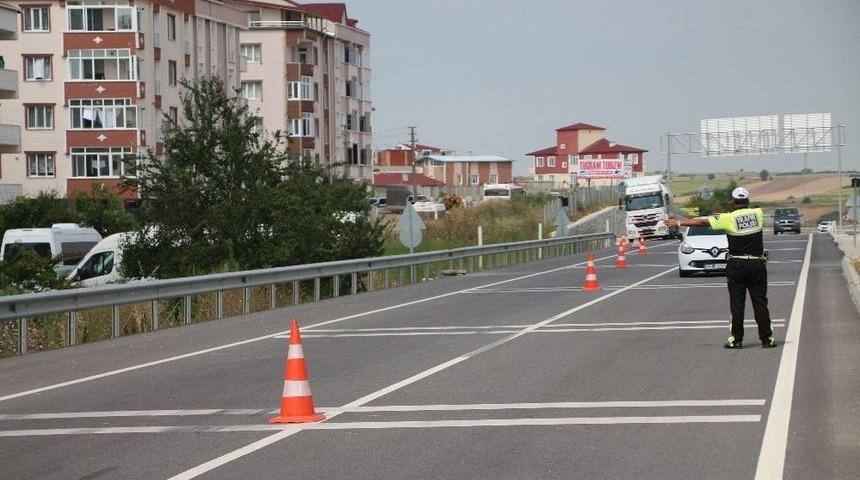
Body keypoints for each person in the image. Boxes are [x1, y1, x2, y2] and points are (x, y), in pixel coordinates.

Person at [666, 187, 776, 349]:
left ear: (733, 201)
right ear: (748, 200)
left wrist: (679, 222)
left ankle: (736, 340)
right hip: (756, 264)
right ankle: (767, 340)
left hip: (736, 265)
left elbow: (703, 222)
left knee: (737, 304)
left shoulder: (727, 218)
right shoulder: (758, 214)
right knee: (760, 303)